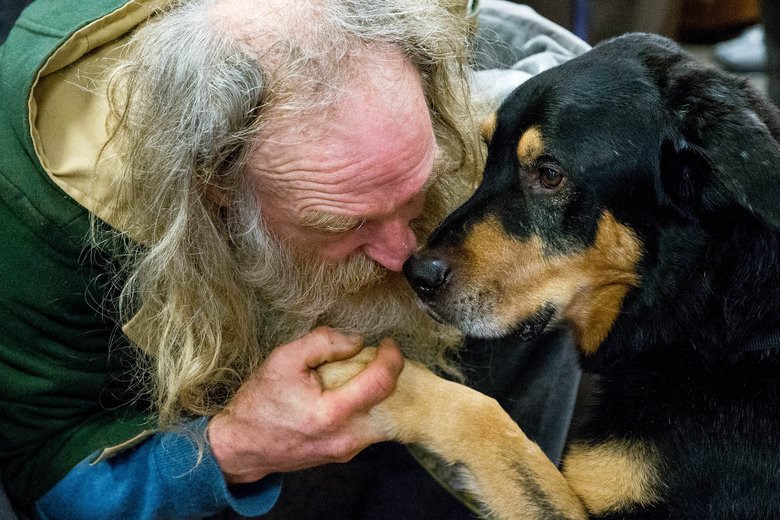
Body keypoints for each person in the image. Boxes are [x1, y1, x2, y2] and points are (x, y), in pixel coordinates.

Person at [0, 0, 588, 518]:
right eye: (344, 223)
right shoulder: (44, 207)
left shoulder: (430, 30)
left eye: (412, 194)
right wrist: (233, 448)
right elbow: (42, 477)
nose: (402, 255)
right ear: (216, 183)